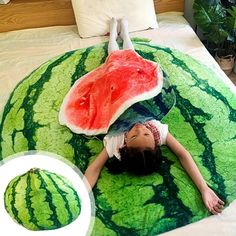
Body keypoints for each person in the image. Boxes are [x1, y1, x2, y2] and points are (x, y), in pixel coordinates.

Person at [84, 18, 224, 215]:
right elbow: (184, 154)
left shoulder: (115, 141)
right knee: (132, 58)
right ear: (156, 142)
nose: (141, 127)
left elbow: (94, 169)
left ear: (124, 145)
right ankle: (123, 31)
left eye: (133, 135)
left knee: (114, 58)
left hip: (116, 92)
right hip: (137, 89)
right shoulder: (159, 132)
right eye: (146, 134)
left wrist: (81, 197)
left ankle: (116, 31)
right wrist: (204, 188)